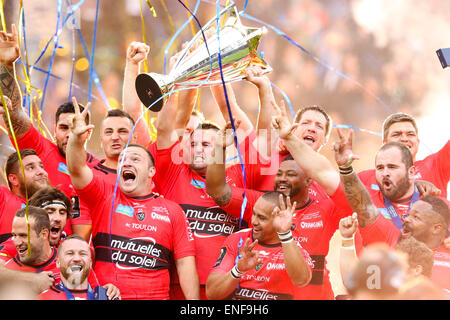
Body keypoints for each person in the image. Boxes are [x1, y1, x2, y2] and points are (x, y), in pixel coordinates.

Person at [65, 98, 199, 300]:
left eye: (135, 159)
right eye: (122, 160)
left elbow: (185, 264)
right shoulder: (104, 196)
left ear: (152, 171)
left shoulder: (172, 210)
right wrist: (76, 140)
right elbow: (76, 169)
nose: (126, 163)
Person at [206, 124, 354, 299]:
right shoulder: (261, 201)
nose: (283, 178)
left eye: (290, 174)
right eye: (279, 173)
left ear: (308, 181)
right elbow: (217, 191)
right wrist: (220, 148)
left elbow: (356, 204)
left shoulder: (325, 207)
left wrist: (345, 168)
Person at [0, 24, 98, 241]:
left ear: (88, 132)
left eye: (75, 128)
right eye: (63, 128)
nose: (69, 134)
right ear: (54, 130)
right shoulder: (41, 150)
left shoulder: (97, 172)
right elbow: (15, 113)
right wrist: (6, 65)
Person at [331, 129, 450, 293]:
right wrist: (346, 168)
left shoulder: (442, 214)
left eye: (416, 217)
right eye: (380, 168)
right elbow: (363, 206)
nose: (406, 219)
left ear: (437, 227)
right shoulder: (392, 238)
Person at [206, 192, 313, 300]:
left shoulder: (292, 249)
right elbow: (211, 294)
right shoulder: (238, 239)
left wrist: (285, 234)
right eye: (254, 214)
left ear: (278, 219)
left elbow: (301, 280)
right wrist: (237, 270)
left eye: (262, 218)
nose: (253, 221)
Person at [358, 113, 449, 198]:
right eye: (396, 134)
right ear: (384, 144)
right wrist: (344, 165)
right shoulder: (365, 179)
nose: (404, 139)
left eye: (410, 134)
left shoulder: (435, 165)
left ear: (418, 141)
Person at [38, 235, 121, 300]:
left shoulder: (107, 297)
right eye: (70, 253)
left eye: (82, 254)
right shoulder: (42, 298)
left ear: (90, 263)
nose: (77, 259)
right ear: (58, 263)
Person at [0, 186, 70, 262]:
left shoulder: (69, 245)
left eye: (62, 213)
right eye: (50, 212)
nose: (58, 218)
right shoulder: (17, 244)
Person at [0, 149, 50, 249]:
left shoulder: (54, 207)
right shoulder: (3, 195)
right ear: (14, 179)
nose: (41, 172)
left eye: (41, 166)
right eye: (31, 168)